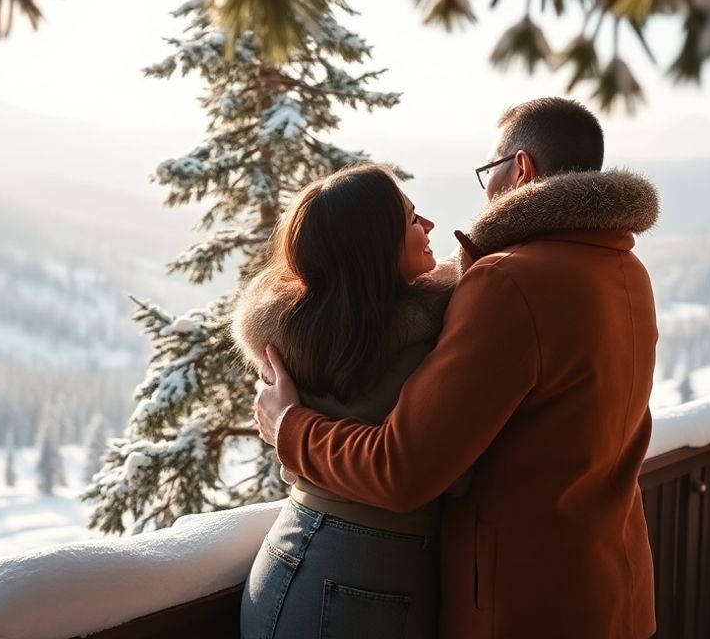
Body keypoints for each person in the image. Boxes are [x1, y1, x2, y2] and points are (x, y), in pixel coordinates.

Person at [254, 97, 661, 638]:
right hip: (613, 591)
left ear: (520, 169)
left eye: (488, 172)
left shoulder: (510, 281)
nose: (484, 192)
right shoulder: (624, 268)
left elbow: (404, 469)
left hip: (523, 605)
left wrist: (290, 428)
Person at [233, 163, 457, 639]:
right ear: (376, 246)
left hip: (311, 556)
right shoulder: (418, 347)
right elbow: (433, 469)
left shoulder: (317, 338)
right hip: (353, 575)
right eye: (413, 220)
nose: (429, 226)